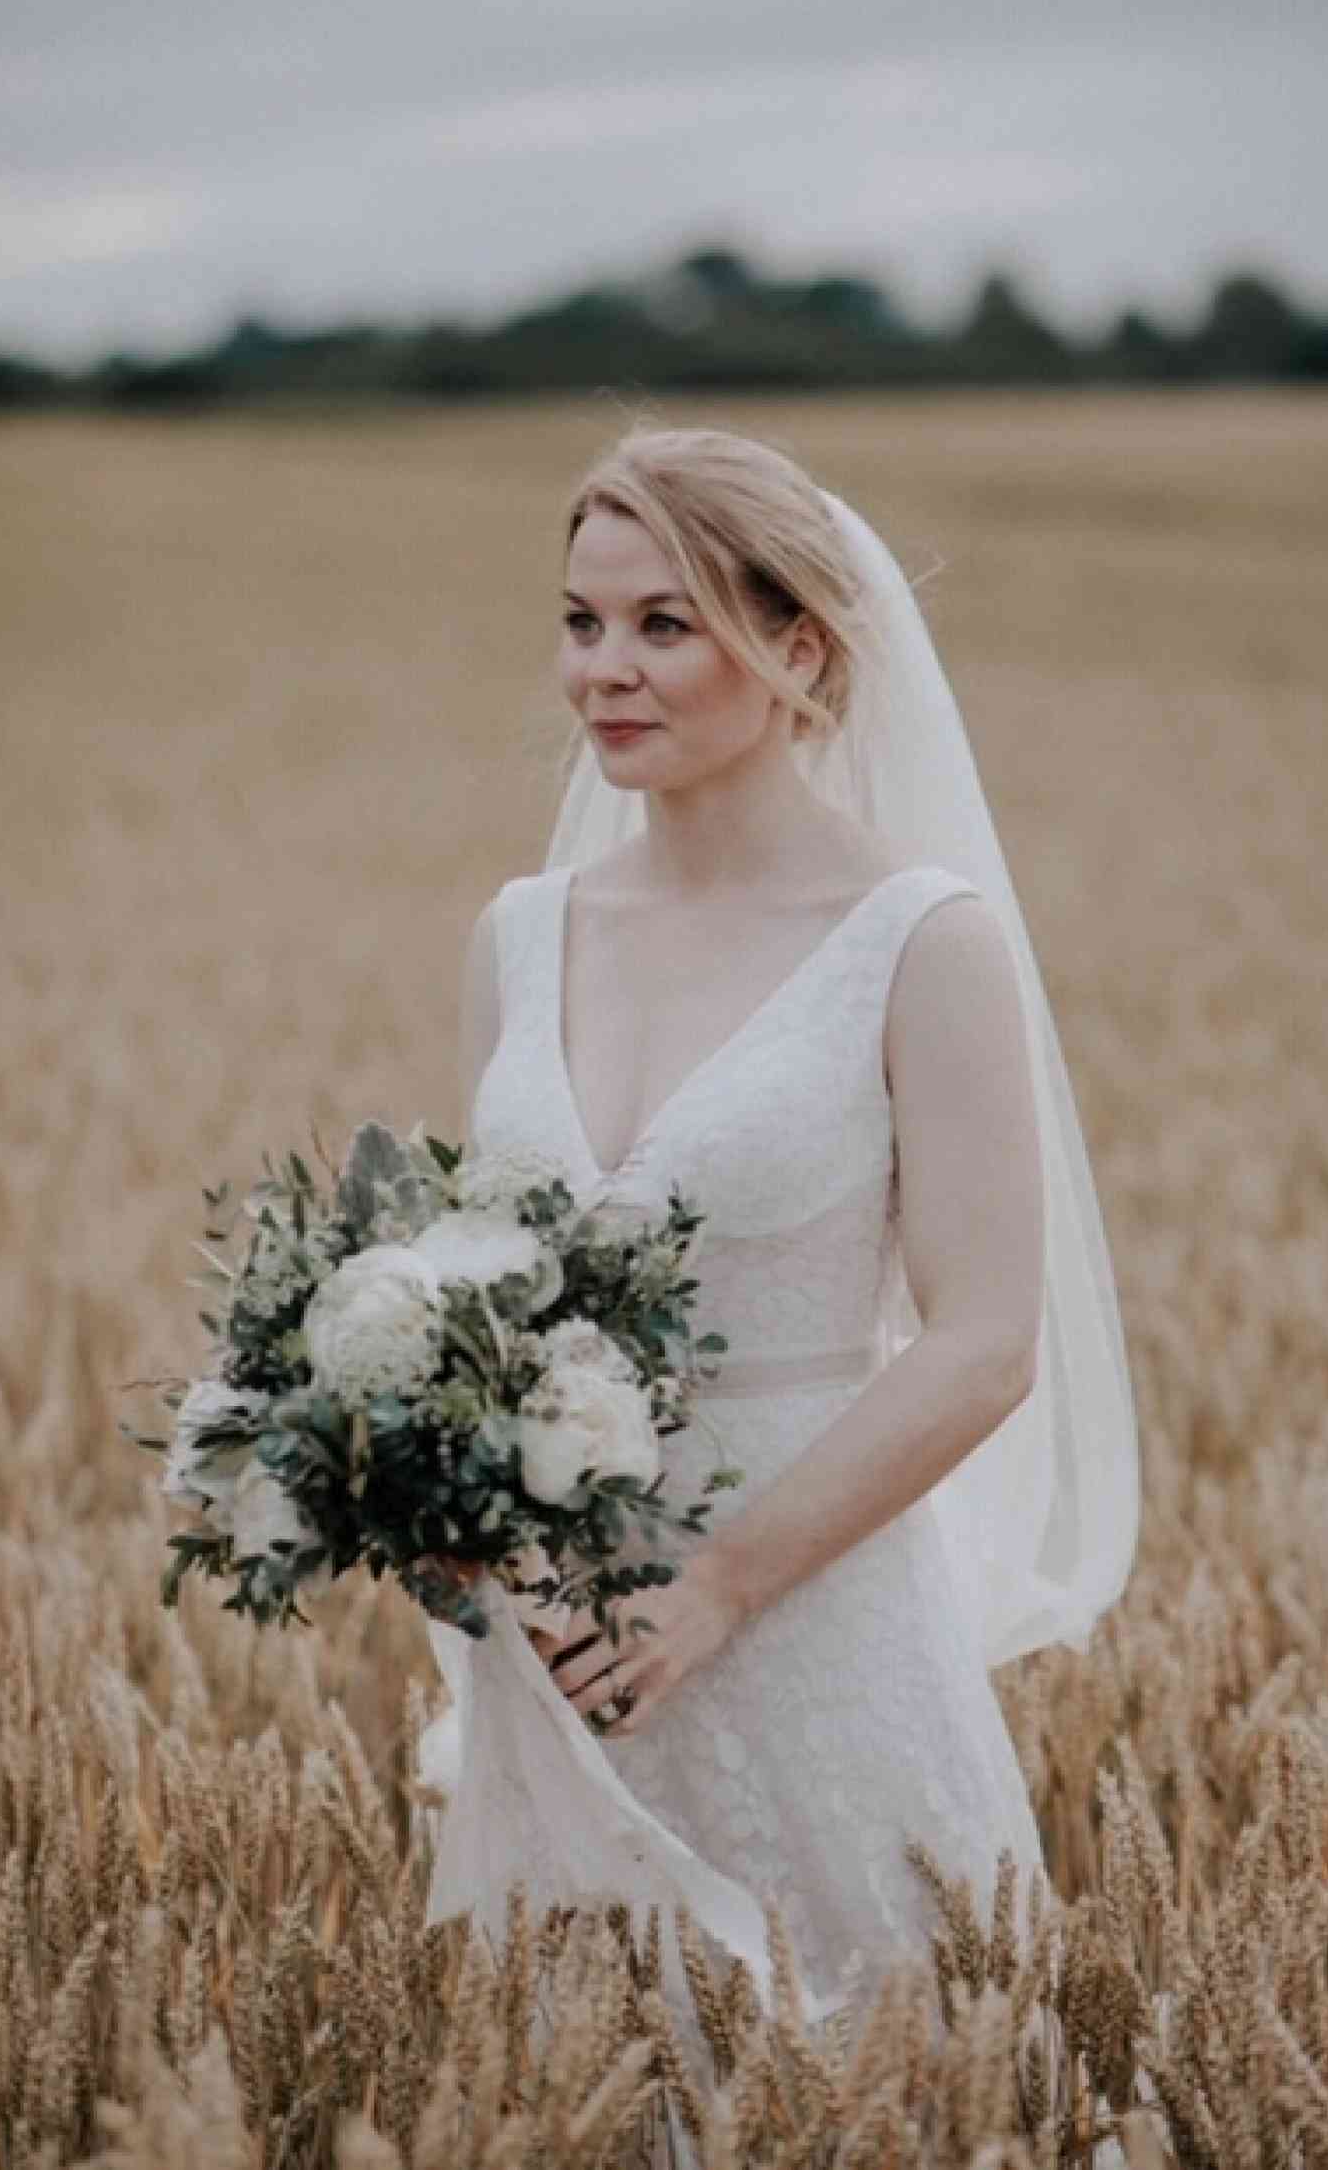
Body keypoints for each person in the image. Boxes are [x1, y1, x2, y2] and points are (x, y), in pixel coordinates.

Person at [416, 425, 1140, 2040]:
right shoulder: (520, 938)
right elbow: (482, 1304)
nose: (606, 668)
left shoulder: (918, 941)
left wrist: (723, 1586)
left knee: (888, 2072)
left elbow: (982, 1339)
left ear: (797, 644)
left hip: (813, 1620)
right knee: (572, 2081)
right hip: (569, 1646)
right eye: (582, 621)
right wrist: (427, 1494)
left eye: (665, 624)